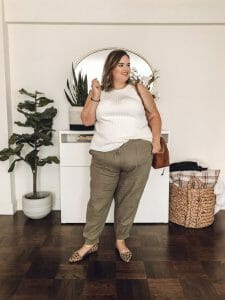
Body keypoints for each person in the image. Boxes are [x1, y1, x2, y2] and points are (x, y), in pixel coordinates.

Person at [69, 49, 162, 263]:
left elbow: (154, 115)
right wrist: (95, 96)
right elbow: (86, 120)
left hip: (138, 154)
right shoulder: (98, 92)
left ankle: (121, 240)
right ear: (110, 67)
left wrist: (155, 140)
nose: (126, 68)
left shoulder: (138, 89)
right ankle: (90, 242)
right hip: (103, 155)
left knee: (128, 201)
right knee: (97, 202)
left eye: (128, 64)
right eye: (121, 64)